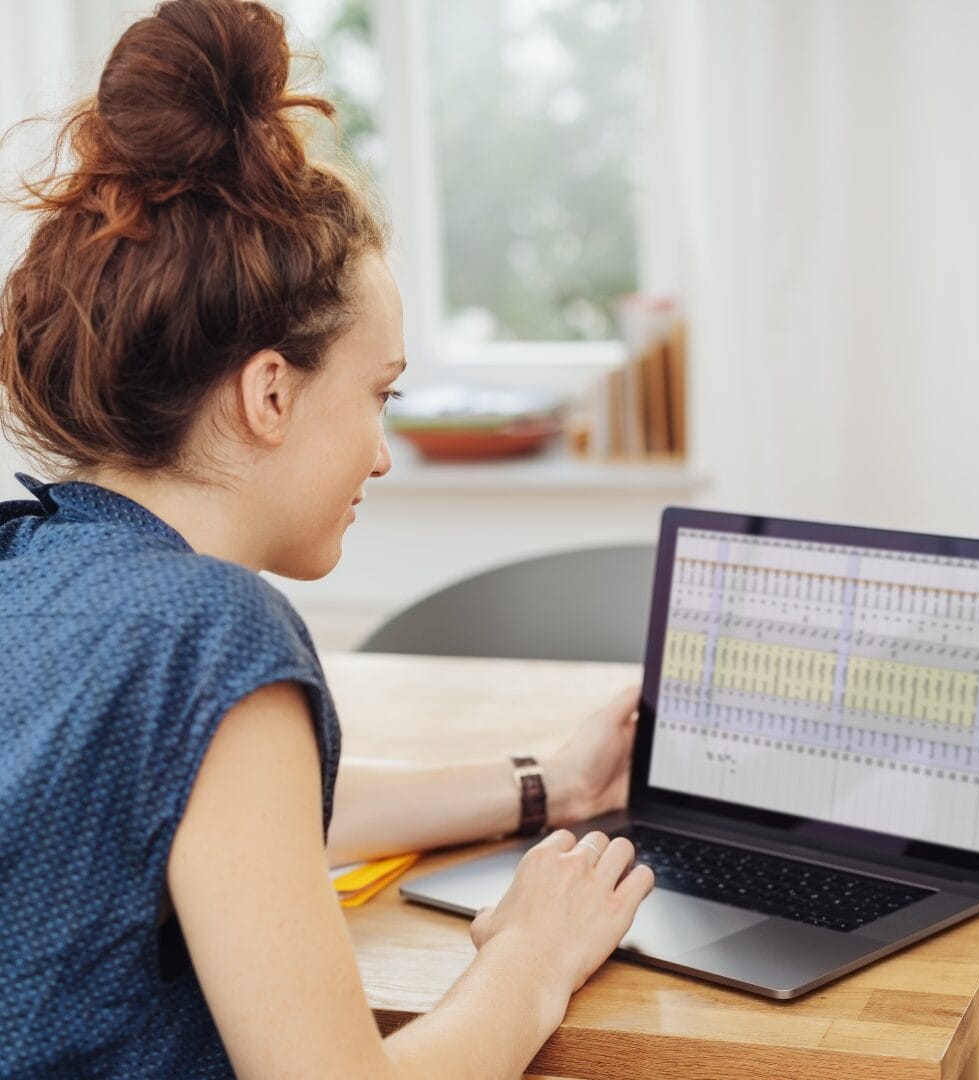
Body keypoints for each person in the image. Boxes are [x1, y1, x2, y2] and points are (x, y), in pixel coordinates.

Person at [0, 1, 654, 1076]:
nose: (383, 454)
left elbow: (223, 819)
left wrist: (551, 787)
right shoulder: (212, 633)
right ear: (269, 392)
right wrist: (532, 959)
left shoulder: (34, 562)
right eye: (379, 396)